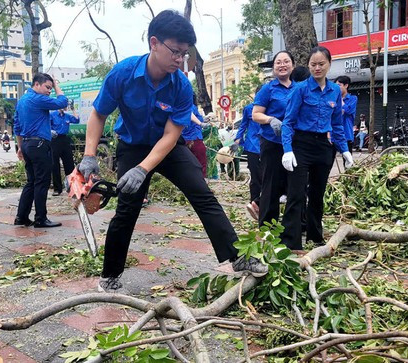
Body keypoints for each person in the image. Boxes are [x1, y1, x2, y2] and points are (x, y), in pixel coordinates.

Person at [78, 10, 267, 292]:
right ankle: (110, 275)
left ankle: (236, 256)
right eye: (175, 52)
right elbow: (98, 114)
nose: (180, 60)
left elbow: (171, 135)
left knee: (201, 193)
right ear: (154, 43)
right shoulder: (123, 74)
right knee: (127, 209)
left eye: (184, 54)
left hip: (168, 147)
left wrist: (144, 169)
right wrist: (89, 155)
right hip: (132, 146)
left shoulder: (180, 85)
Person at [280, 46, 353, 249]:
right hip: (301, 145)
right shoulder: (300, 89)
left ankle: (315, 237)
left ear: (329, 64)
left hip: (323, 146)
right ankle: (291, 242)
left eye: (321, 64)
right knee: (296, 194)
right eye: (313, 64)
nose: (317, 68)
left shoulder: (335, 91)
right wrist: (287, 149)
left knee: (318, 193)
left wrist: (344, 149)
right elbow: (288, 122)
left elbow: (337, 123)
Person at [13, 73, 68, 228]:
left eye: (51, 88)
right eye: (47, 87)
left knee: (31, 182)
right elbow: (62, 102)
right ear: (36, 84)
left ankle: (21, 217)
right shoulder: (37, 99)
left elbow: (16, 126)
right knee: (41, 182)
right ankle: (40, 219)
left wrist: (20, 147)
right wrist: (57, 85)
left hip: (28, 145)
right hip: (39, 145)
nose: (49, 91)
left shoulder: (22, 101)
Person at [251, 50, 295, 228]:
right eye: (278, 62)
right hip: (272, 142)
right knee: (271, 184)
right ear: (274, 67)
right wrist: (271, 119)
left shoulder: (299, 88)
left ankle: (293, 226)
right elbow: (256, 115)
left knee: (293, 185)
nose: (282, 65)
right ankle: (268, 227)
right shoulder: (268, 89)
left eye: (286, 61)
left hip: (293, 144)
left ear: (292, 65)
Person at [233, 85, 262, 220]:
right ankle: (254, 203)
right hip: (253, 146)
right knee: (255, 177)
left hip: (268, 146)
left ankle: (263, 202)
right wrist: (238, 140)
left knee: (268, 177)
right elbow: (243, 124)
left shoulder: (271, 108)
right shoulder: (249, 108)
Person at [50, 106, 80, 196]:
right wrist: (50, 131)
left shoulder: (67, 116)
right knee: (55, 165)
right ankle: (57, 189)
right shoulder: (52, 115)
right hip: (55, 140)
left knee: (69, 164)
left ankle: (71, 188)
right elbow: (46, 125)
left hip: (65, 140)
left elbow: (76, 120)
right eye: (64, 106)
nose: (66, 108)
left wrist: (73, 109)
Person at [181, 94, 209, 177]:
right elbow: (189, 114)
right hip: (194, 139)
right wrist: (200, 123)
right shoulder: (190, 106)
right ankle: (200, 183)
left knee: (187, 164)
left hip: (184, 139)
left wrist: (203, 120)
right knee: (201, 163)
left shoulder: (181, 107)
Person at [335, 75, 357, 155]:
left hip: (346, 134)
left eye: (339, 85)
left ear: (346, 85)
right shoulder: (333, 99)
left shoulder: (353, 98)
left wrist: (340, 99)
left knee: (348, 162)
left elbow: (349, 110)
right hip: (334, 134)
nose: (337, 88)